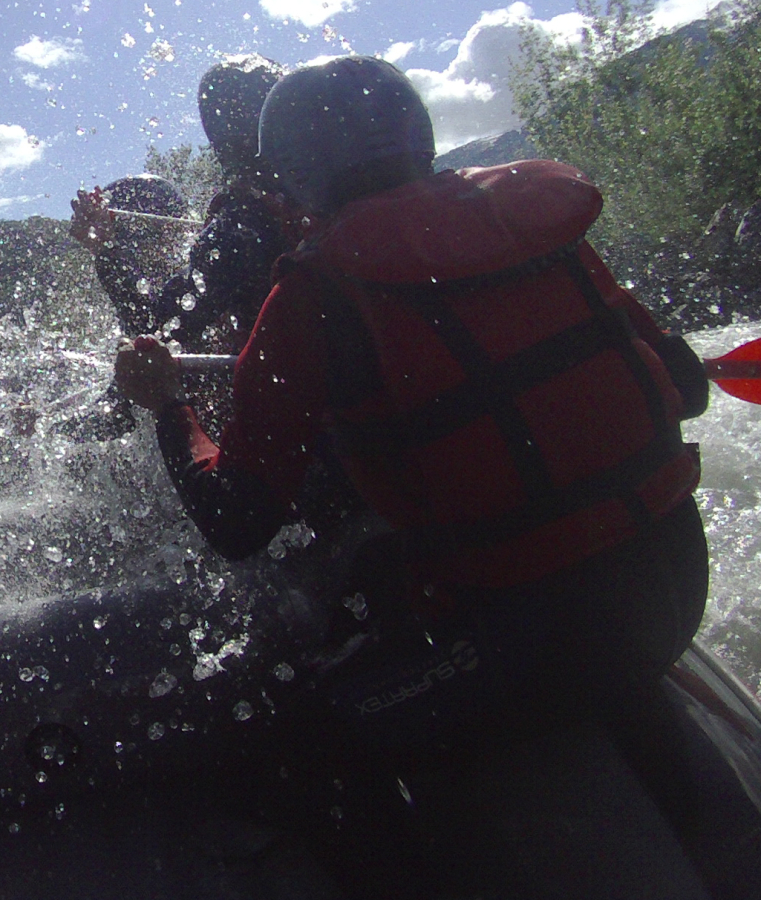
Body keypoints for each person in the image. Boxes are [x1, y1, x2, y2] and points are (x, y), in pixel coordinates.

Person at [115, 56, 711, 890]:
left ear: (289, 166)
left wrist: (166, 404)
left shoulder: (313, 293)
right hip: (679, 582)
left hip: (528, 640)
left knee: (291, 726)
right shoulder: (541, 226)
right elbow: (684, 388)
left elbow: (237, 522)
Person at [65, 56, 291, 441]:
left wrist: (106, 251)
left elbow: (156, 331)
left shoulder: (238, 227)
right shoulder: (315, 199)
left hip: (287, 444)